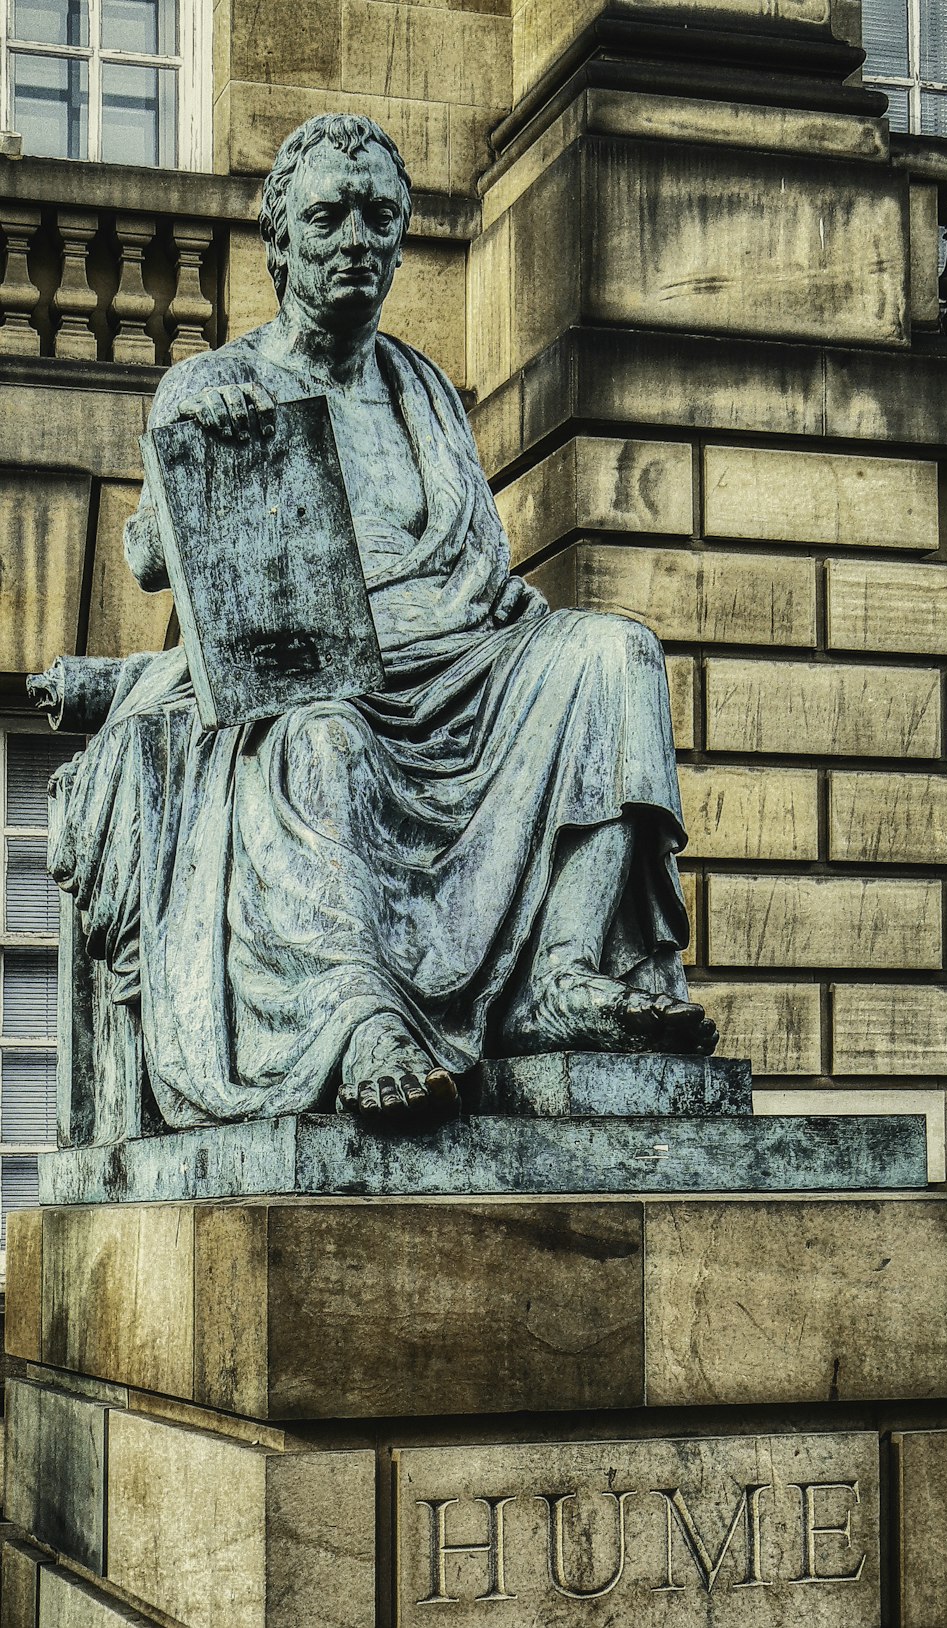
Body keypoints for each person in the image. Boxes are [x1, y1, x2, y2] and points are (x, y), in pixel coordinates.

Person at [49, 112, 717, 1131]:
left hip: (461, 660)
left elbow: (485, 575)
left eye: (376, 216)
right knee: (323, 738)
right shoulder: (215, 381)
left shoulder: (424, 391)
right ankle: (359, 1018)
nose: (352, 238)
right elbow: (156, 556)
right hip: (321, 688)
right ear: (280, 244)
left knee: (612, 651)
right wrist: (207, 449)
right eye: (326, 216)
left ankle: (568, 973)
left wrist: (516, 638)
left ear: (404, 238)